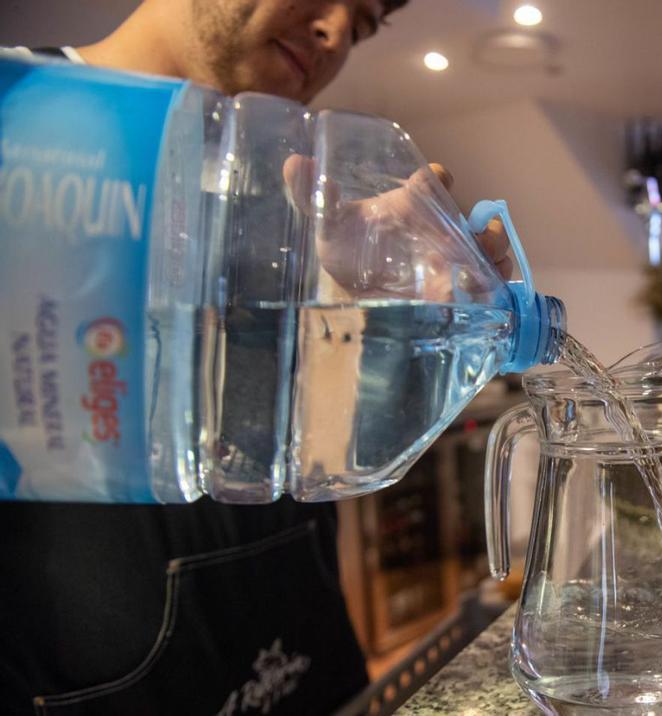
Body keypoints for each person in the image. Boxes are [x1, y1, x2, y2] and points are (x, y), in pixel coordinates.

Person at [0, 1, 516, 713]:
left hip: (313, 674)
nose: (337, 34)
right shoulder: (19, 121)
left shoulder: (299, 193)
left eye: (362, 25)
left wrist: (388, 336)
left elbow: (314, 453)